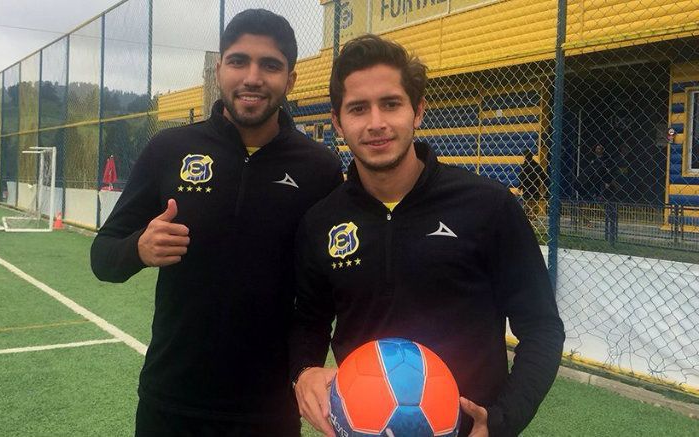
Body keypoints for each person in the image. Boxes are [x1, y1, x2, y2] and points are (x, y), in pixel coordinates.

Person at [288, 35, 565, 437]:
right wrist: (305, 370)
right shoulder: (321, 221)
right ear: (337, 122)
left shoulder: (488, 205)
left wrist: (501, 421)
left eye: (391, 104)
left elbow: (541, 327)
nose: (376, 123)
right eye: (358, 109)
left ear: (417, 111)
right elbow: (308, 321)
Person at [90, 9, 344, 437]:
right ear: (220, 68)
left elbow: (322, 294)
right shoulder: (169, 149)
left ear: (291, 80)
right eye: (239, 61)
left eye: (270, 65)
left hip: (270, 409)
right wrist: (138, 248)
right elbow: (102, 256)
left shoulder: (319, 167)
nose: (252, 77)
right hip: (171, 400)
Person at [519, 148, 547, 223]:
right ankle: (534, 217)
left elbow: (522, 177)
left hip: (526, 188)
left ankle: (527, 218)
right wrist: (544, 187)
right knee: (534, 203)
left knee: (527, 204)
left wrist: (520, 187)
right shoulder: (537, 166)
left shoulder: (524, 166)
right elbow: (543, 177)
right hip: (535, 187)